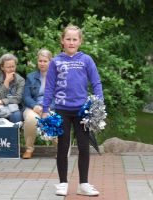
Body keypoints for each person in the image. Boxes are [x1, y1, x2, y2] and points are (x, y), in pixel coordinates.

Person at [42, 25, 103, 196]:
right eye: (68, 39)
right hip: (62, 110)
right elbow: (49, 87)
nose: (71, 42)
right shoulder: (55, 61)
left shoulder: (86, 60)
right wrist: (45, 109)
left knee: (84, 148)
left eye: (74, 39)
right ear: (62, 40)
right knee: (63, 146)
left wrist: (98, 104)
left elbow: (96, 83)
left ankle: (83, 183)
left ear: (80, 41)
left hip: (82, 112)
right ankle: (62, 183)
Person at [22, 48, 54, 159]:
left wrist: (48, 108)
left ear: (50, 61)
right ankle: (29, 149)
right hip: (33, 107)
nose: (42, 63)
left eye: (45, 61)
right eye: (40, 61)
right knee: (31, 119)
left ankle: (60, 150)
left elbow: (59, 97)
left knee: (53, 118)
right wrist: (35, 106)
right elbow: (26, 96)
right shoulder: (31, 77)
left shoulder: (57, 77)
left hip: (50, 107)